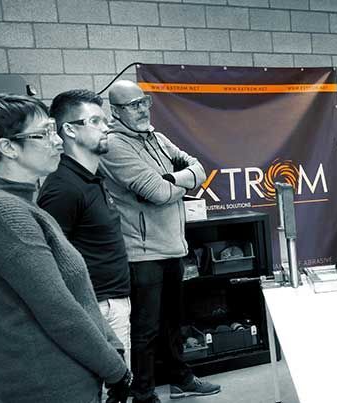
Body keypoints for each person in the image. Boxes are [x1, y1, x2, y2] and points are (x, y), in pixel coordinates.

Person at [0, 93, 130, 403]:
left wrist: (111, 347)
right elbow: (59, 311)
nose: (58, 140)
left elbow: (78, 295)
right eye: (44, 133)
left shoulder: (19, 204)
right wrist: (116, 370)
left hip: (72, 377)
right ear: (8, 147)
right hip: (50, 386)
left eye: (53, 128)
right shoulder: (1, 212)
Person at [99, 80, 219, 402]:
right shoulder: (113, 146)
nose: (142, 110)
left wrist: (171, 179)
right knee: (146, 330)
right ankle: (143, 392)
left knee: (173, 323)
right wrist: (176, 183)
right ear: (115, 111)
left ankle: (181, 379)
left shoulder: (158, 138)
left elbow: (200, 169)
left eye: (144, 102)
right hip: (142, 254)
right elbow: (157, 193)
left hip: (173, 248)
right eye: (133, 105)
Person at [38, 89, 132, 369]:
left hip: (112, 303)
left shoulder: (92, 178)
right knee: (109, 386)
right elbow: (51, 260)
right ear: (69, 130)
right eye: (94, 121)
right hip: (95, 308)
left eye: (104, 120)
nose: (106, 127)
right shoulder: (63, 188)